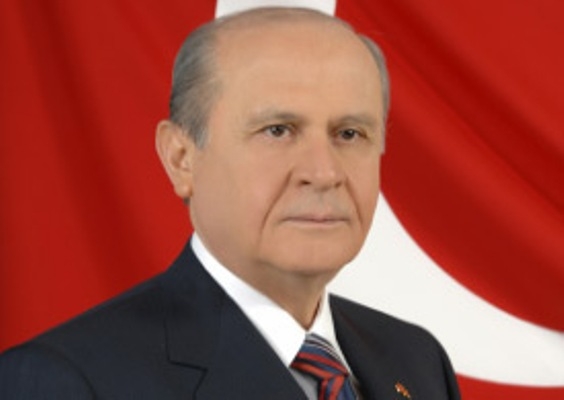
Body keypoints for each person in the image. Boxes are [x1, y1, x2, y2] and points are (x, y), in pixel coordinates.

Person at [0, 7, 460, 400]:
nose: (324, 172)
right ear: (181, 158)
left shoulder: (417, 361)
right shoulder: (65, 381)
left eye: (350, 134)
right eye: (278, 131)